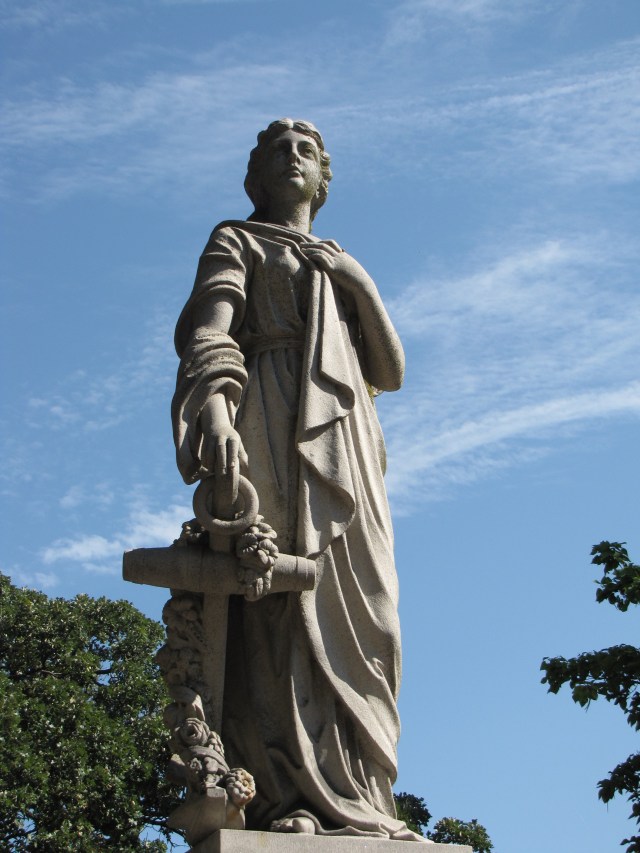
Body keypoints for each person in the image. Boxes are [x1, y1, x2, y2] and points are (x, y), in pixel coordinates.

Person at [171, 119, 423, 840]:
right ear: (254, 176)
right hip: (270, 419)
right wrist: (216, 407)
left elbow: (391, 371)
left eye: (305, 151)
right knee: (279, 600)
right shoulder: (237, 240)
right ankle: (289, 795)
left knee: (366, 613)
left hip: (348, 439)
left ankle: (363, 796)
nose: (292, 158)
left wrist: (358, 280)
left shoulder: (341, 260)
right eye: (276, 150)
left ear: (324, 177)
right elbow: (208, 328)